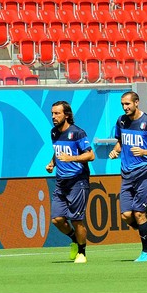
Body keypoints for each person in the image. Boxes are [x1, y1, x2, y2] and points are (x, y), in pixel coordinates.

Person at [109, 91, 147, 262]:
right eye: (123, 105)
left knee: (139, 213)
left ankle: (145, 252)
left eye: (128, 104)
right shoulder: (121, 121)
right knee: (126, 215)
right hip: (127, 173)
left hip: (145, 171)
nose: (125, 107)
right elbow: (120, 141)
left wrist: (144, 152)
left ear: (136, 103)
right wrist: (115, 150)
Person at [46, 101, 95, 264]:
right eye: (52, 113)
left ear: (66, 115)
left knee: (76, 219)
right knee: (57, 219)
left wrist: (71, 158)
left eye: (57, 113)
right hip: (61, 181)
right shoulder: (54, 132)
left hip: (77, 181)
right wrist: (52, 163)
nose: (53, 117)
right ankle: (74, 238)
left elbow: (90, 156)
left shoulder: (77, 133)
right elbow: (58, 151)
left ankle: (82, 252)